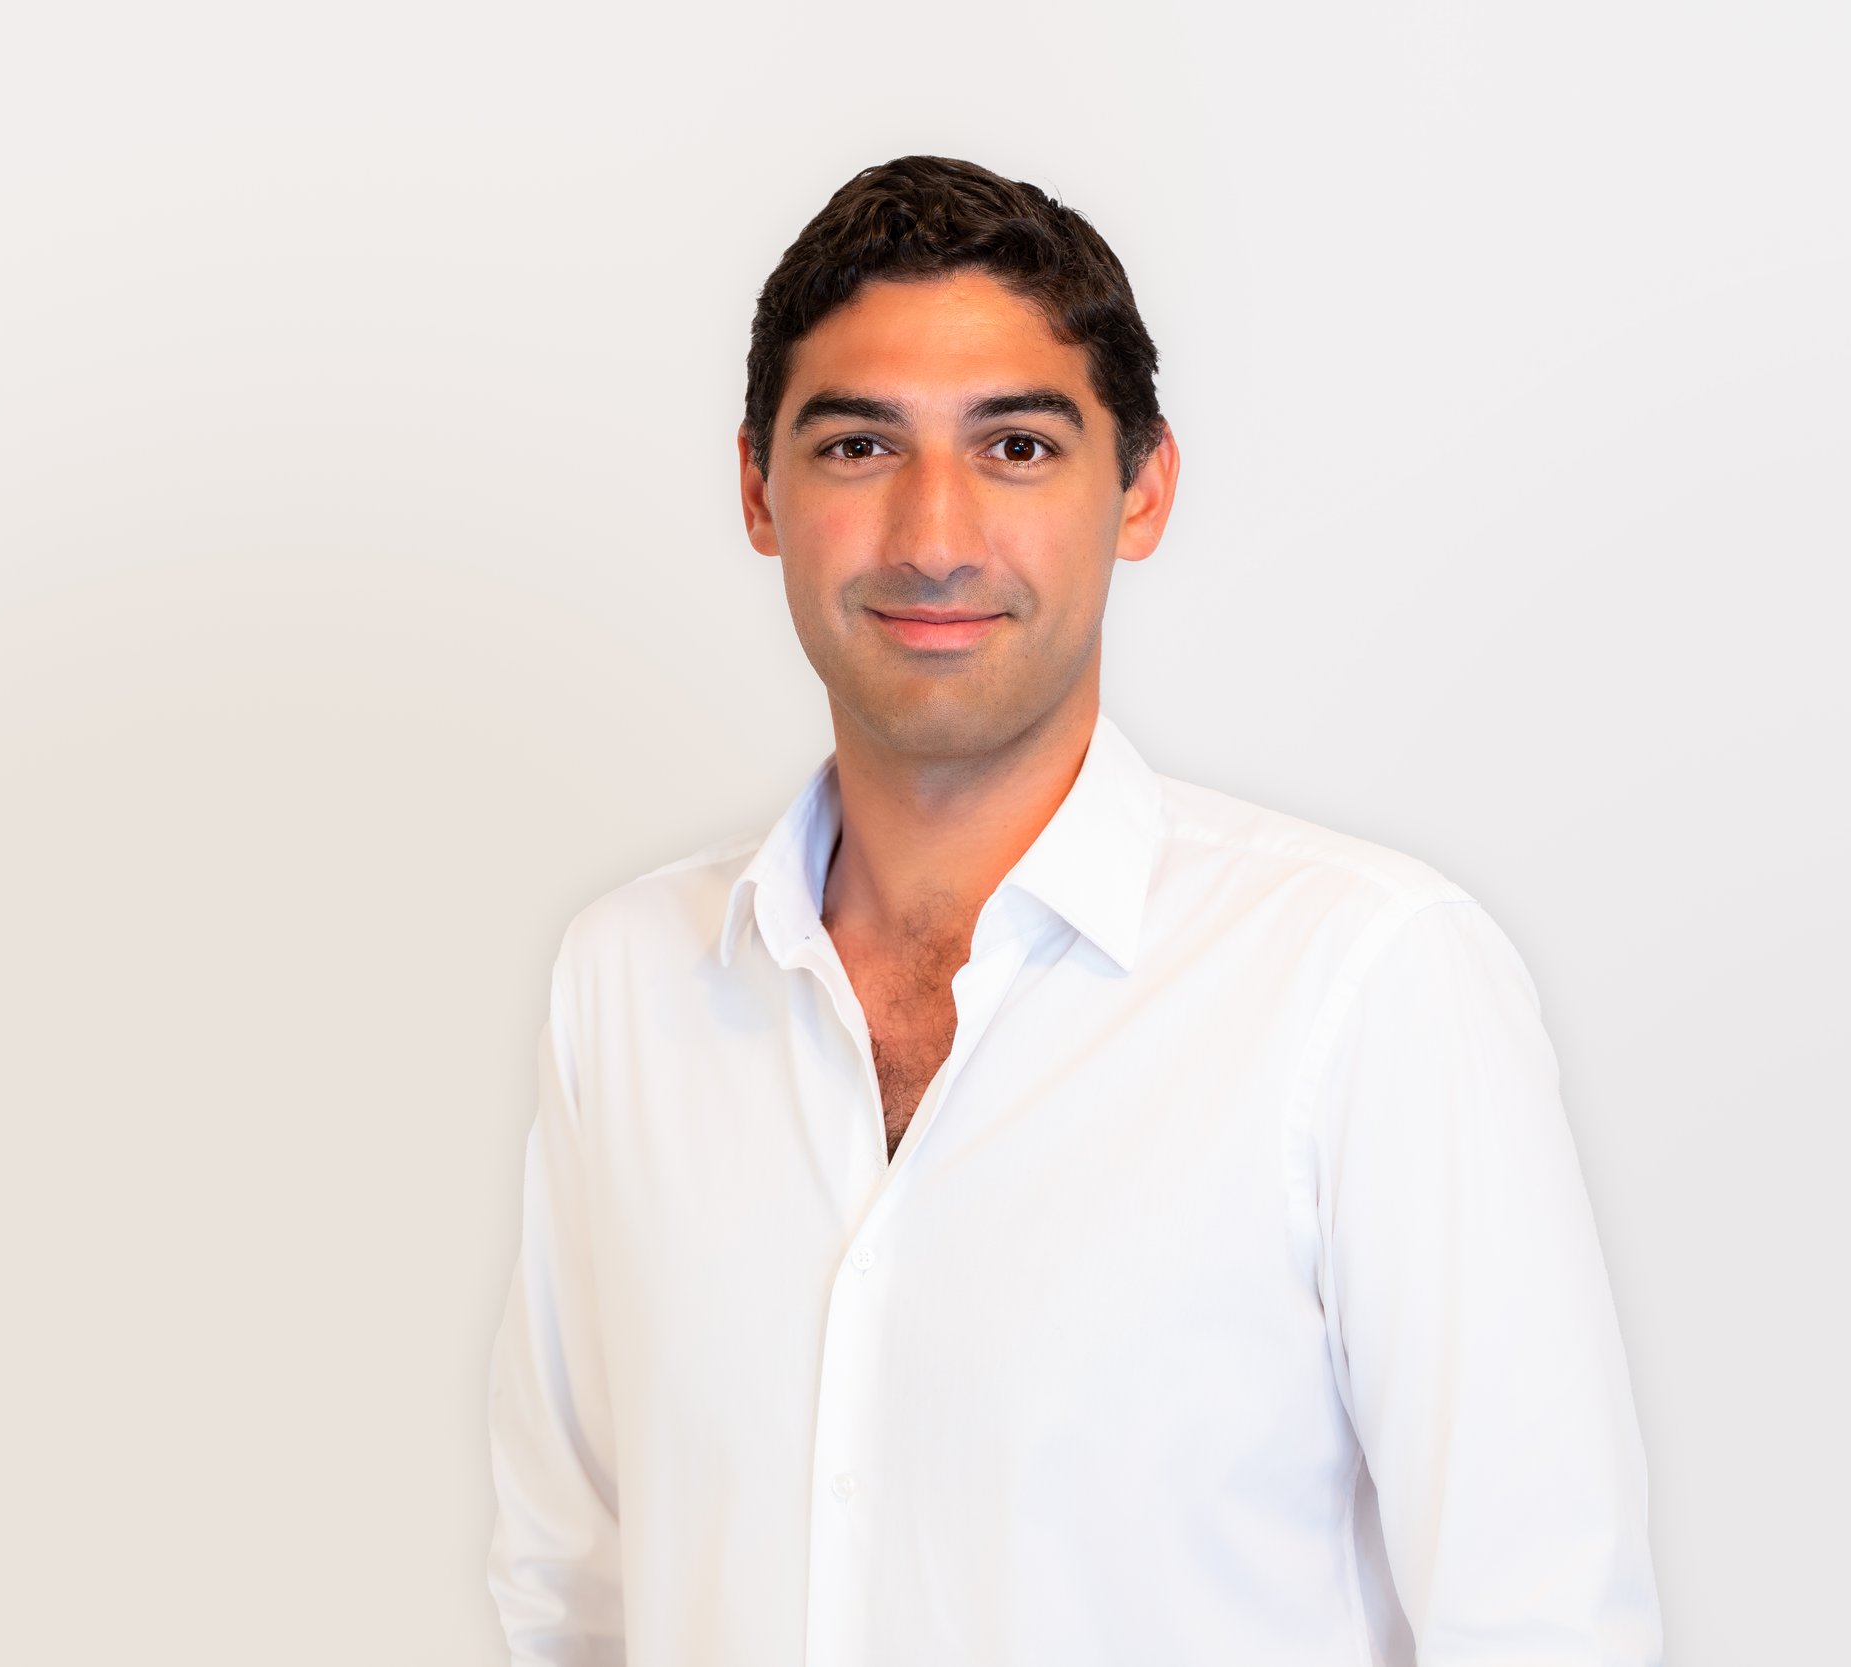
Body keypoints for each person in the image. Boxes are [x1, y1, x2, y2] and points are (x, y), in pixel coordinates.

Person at [486, 154, 1661, 1666]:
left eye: (1019, 446)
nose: (934, 534)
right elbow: (569, 1584)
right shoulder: (629, 984)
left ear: (1145, 486)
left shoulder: (1362, 982)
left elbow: (1540, 1624)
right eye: (856, 446)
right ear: (757, 492)